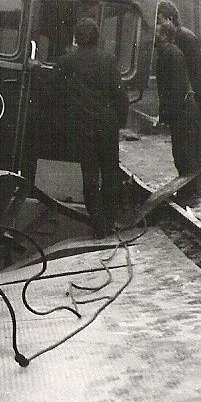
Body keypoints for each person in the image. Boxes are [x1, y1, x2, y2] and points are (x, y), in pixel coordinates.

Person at [57, 17, 127, 237]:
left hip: (83, 127)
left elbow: (55, 91)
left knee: (89, 176)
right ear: (97, 38)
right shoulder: (108, 60)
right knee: (110, 173)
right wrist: (119, 122)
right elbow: (120, 96)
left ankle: (97, 222)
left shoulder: (67, 61)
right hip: (107, 126)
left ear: (77, 38)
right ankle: (110, 220)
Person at [157, 0, 201, 201]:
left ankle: (193, 192)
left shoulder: (184, 39)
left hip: (191, 98)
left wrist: (192, 102)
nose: (157, 25)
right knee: (185, 149)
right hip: (186, 99)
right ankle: (188, 190)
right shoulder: (175, 41)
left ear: (169, 19)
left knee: (191, 148)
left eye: (159, 20)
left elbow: (195, 73)